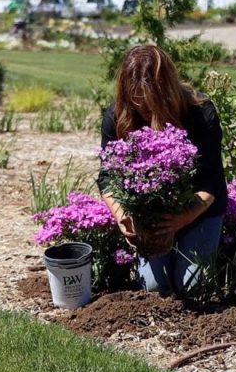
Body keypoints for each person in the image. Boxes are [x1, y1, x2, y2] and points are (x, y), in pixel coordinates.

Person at [97, 44, 227, 295]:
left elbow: (210, 184)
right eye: (136, 102)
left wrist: (179, 220)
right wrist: (123, 216)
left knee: (194, 287)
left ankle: (213, 254)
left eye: (150, 102)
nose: (143, 109)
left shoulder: (201, 113)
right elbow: (106, 177)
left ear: (166, 91)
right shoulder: (116, 117)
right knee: (154, 288)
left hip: (198, 208)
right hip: (150, 217)